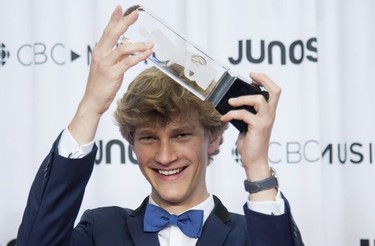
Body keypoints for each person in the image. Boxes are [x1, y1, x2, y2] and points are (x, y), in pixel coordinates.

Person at [17, 5, 303, 246]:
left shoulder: (253, 234)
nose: (165, 156)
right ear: (131, 144)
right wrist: (90, 107)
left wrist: (257, 168)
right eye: (149, 138)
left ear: (213, 138)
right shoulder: (100, 230)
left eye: (181, 135)